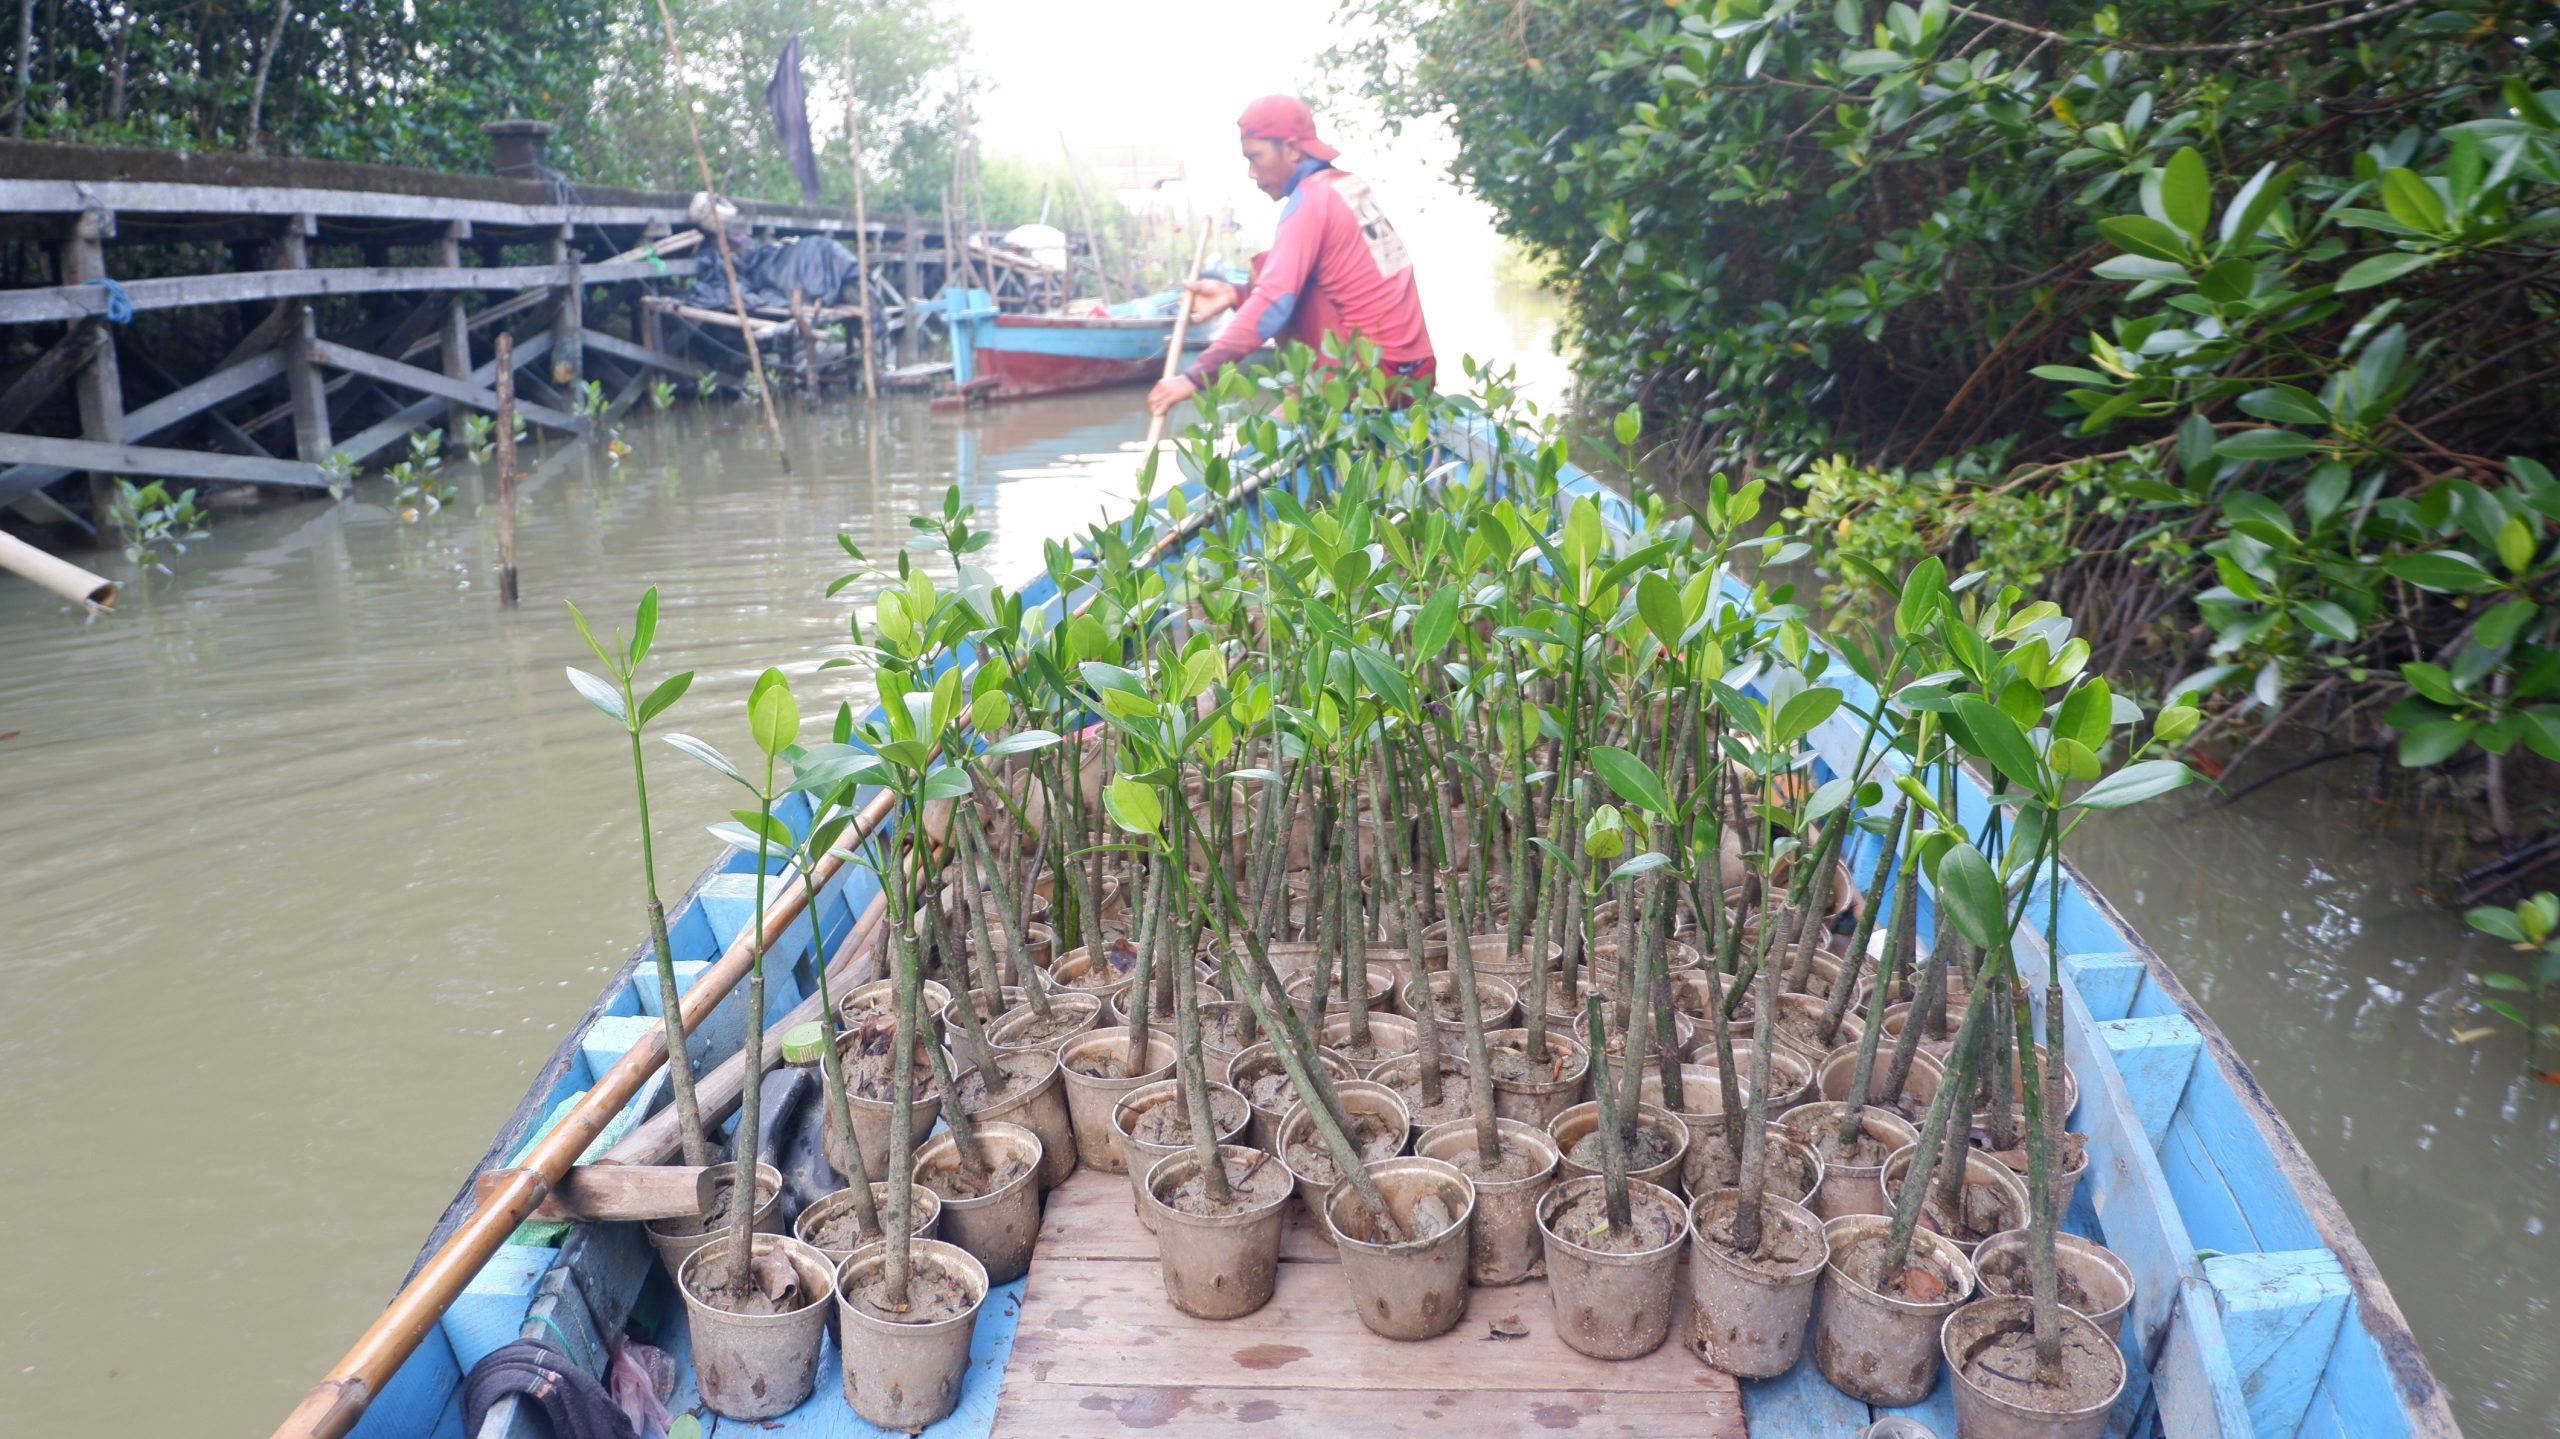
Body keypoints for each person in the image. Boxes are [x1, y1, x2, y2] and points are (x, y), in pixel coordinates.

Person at [1146, 95, 1436, 415]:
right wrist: (1235, 295)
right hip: (1417, 374)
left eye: (1255, 157)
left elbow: (1274, 305)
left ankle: (1302, 399)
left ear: (1293, 149)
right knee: (1272, 266)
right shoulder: (1348, 186)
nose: (1251, 173)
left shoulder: (1309, 200)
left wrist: (1193, 377)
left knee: (1267, 271)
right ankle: (1306, 396)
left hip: (1371, 377)